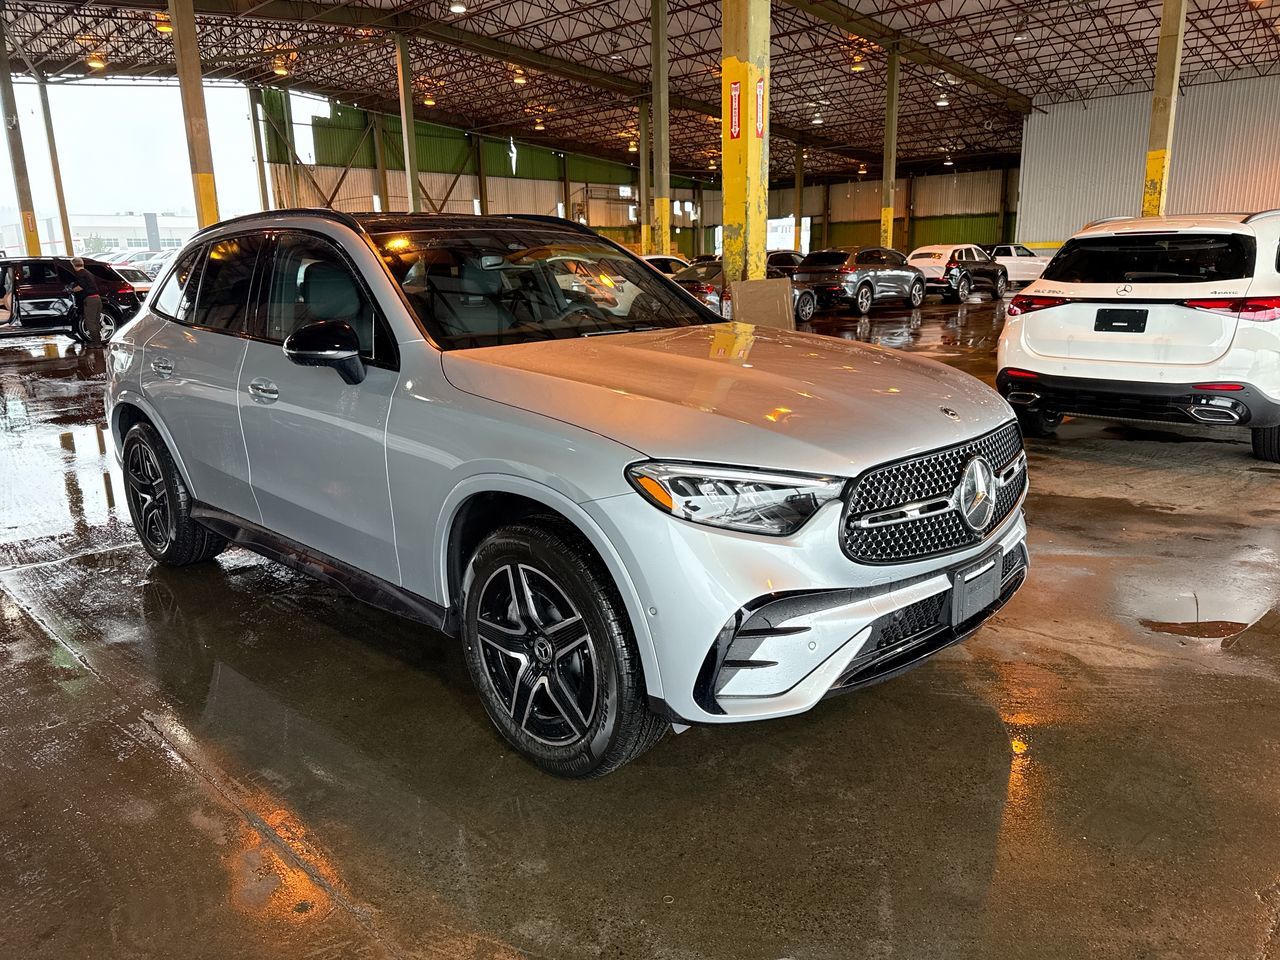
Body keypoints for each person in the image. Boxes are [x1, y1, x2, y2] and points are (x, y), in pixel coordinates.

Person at [69, 257, 102, 343]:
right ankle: (99, 341)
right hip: (97, 298)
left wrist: (71, 290)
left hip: (90, 300)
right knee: (96, 321)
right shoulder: (88, 273)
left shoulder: (80, 273)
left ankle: (96, 343)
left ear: (73, 265)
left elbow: (81, 286)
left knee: (90, 322)